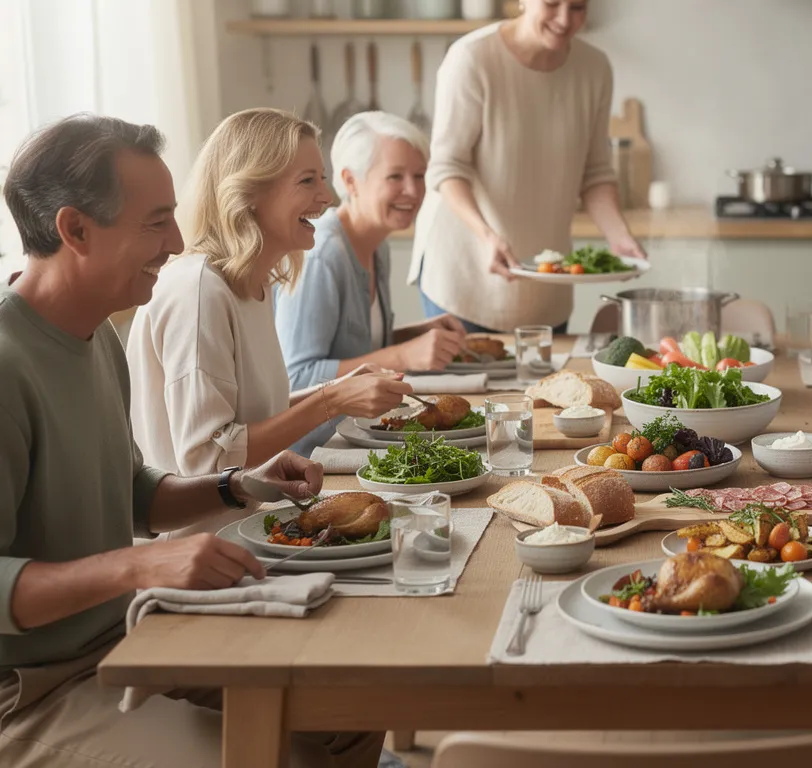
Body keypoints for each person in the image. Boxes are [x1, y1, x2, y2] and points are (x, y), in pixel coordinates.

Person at [0, 113, 382, 767]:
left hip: (126, 639)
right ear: (74, 229)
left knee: (353, 707)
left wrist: (238, 486)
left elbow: (134, 494)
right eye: (155, 222)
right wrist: (138, 565)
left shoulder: (99, 340)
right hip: (30, 693)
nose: (177, 241)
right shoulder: (8, 364)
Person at [125, 108, 412, 534]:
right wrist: (332, 401)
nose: (327, 197)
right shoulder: (199, 289)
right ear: (249, 192)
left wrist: (339, 390)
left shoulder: (249, 285)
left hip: (249, 530)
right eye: (307, 181)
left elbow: (249, 423)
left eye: (323, 178)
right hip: (199, 552)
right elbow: (208, 460)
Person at [411, 0, 646, 334]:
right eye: (552, 3)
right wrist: (488, 236)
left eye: (578, 7)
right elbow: (447, 166)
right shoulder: (473, 59)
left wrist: (619, 237)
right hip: (465, 277)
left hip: (546, 288)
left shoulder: (595, 68)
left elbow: (595, 173)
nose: (565, 19)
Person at [273, 111, 468, 455]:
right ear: (350, 182)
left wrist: (413, 335)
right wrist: (403, 354)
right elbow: (298, 377)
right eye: (395, 176)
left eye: (419, 175)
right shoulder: (322, 255)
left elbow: (355, 349)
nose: (413, 190)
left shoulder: (378, 246)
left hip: (362, 440)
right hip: (316, 457)